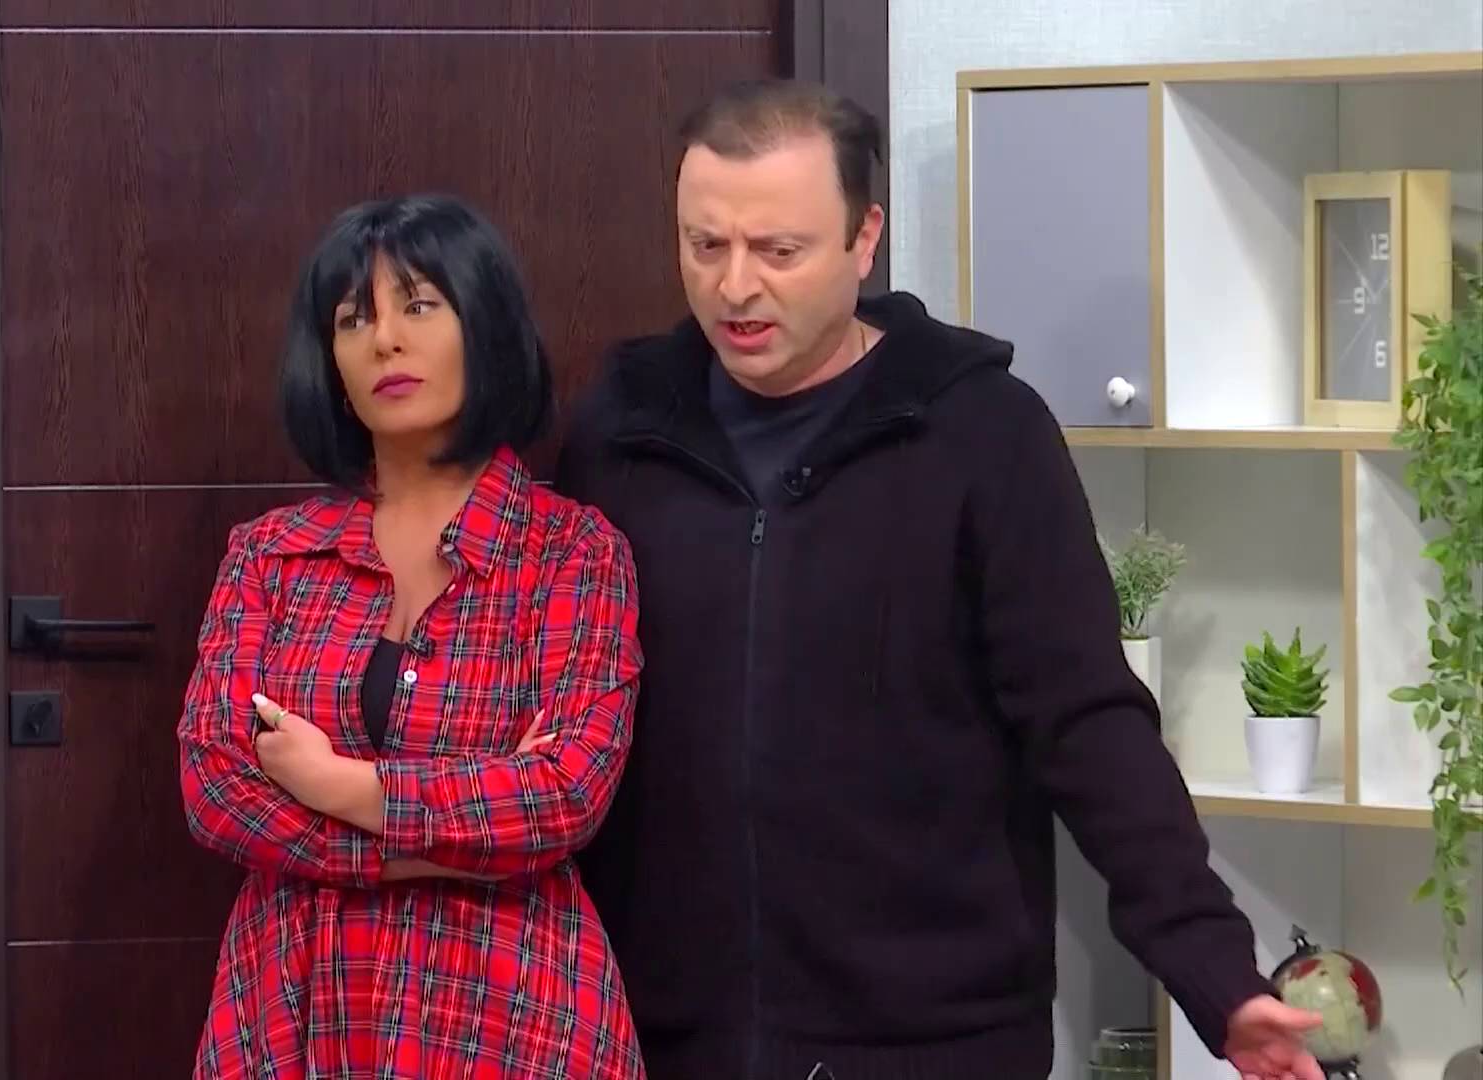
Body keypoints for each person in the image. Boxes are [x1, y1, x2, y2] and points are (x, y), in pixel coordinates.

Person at [559, 78, 1327, 1080]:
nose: (734, 287)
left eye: (779, 251)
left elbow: (1087, 724)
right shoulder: (621, 430)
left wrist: (1216, 974)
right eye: (706, 245)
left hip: (934, 1036)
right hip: (658, 1032)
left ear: (864, 238)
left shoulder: (982, 433)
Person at [177, 192, 646, 1079]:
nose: (385, 341)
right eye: (354, 319)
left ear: (485, 327)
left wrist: (339, 785)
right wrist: (449, 853)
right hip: (295, 1000)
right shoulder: (271, 555)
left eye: (420, 305)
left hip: (515, 1007)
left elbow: (563, 795)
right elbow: (216, 785)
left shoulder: (573, 553)